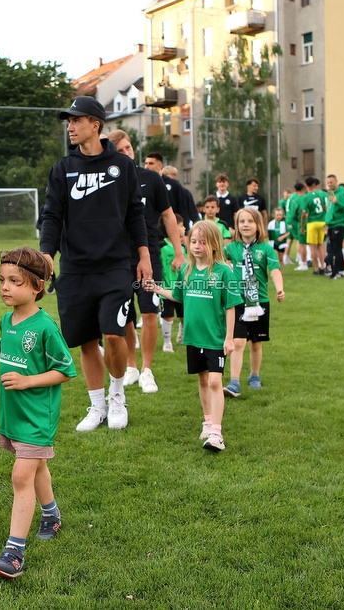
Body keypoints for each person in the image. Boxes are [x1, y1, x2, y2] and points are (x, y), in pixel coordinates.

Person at [0, 248, 76, 579]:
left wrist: (29, 381)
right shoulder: (7, 320)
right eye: (2, 280)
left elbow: (66, 369)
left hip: (38, 415)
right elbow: (1, 352)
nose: (5, 287)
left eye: (14, 281)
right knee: (36, 466)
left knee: (21, 475)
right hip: (12, 414)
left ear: (37, 286)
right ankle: (51, 515)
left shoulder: (45, 327)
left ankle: (14, 553)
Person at [39, 96, 150, 432]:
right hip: (74, 270)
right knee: (87, 340)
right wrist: (47, 254)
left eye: (76, 120)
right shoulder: (63, 169)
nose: (70, 126)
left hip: (115, 267)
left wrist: (143, 255)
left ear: (95, 124)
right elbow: (52, 216)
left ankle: (118, 396)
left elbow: (135, 213)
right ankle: (97, 405)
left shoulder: (122, 166)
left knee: (113, 335)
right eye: (68, 121)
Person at [144, 221, 242, 452]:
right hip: (193, 338)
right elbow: (179, 296)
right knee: (202, 380)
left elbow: (231, 306)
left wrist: (229, 338)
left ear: (215, 244)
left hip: (215, 338)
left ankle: (217, 433)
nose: (197, 246)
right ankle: (207, 421)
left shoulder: (223, 272)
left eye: (203, 242)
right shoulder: (186, 270)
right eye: (194, 241)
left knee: (215, 381)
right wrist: (157, 289)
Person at [109, 130, 184, 395]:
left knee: (150, 310)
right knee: (126, 315)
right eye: (121, 150)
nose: (127, 152)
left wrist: (179, 251)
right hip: (117, 257)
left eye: (129, 147)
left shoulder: (151, 178)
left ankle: (147, 370)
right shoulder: (107, 180)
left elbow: (168, 215)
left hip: (149, 254)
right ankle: (130, 366)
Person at [223, 208, 285, 396]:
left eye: (250, 221)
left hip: (260, 302)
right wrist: (225, 265)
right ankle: (234, 382)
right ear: (237, 226)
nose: (246, 225)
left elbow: (274, 270)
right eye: (242, 222)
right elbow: (217, 261)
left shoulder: (265, 249)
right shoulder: (231, 248)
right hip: (237, 301)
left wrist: (279, 288)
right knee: (238, 341)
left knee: (256, 343)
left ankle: (254, 375)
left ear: (258, 225)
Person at [160, 214, 188, 352]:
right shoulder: (162, 246)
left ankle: (182, 335)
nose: (184, 228)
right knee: (168, 315)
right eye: (181, 225)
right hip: (166, 288)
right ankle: (167, 343)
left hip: (182, 289)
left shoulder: (183, 248)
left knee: (183, 315)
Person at [324, 174, 344, 279]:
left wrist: (337, 202)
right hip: (332, 223)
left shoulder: (342, 193)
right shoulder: (331, 193)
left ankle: (335, 272)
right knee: (336, 248)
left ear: (336, 181)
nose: (329, 184)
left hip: (340, 223)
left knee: (335, 249)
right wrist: (327, 223)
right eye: (328, 183)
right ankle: (341, 270)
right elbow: (330, 209)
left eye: (331, 182)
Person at [301, 177, 329, 275]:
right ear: (315, 184)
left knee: (313, 247)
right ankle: (323, 265)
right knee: (321, 245)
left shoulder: (305, 197)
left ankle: (316, 268)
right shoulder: (322, 194)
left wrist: (302, 226)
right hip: (322, 221)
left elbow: (304, 213)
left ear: (306, 185)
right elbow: (326, 207)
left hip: (312, 222)